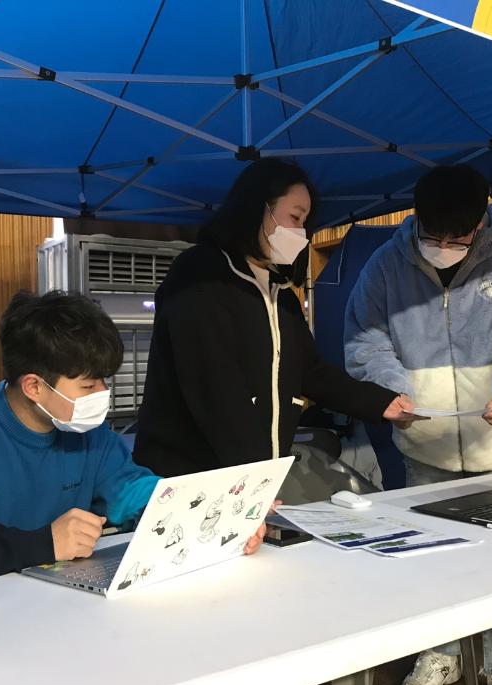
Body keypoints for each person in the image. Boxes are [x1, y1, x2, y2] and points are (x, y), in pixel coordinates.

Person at [0, 291, 268, 584]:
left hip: (59, 616)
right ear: (34, 386)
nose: (103, 394)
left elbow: (132, 491)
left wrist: (218, 518)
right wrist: (39, 543)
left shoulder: (89, 435)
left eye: (104, 381)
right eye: (88, 386)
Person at [344, 165, 492, 685]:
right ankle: (441, 653)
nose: (443, 247)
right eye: (433, 236)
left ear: (481, 222)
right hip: (426, 450)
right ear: (415, 218)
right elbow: (365, 339)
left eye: (457, 238)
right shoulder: (385, 266)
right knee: (432, 561)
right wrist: (390, 390)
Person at [134, 158, 418, 477]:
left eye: (305, 223)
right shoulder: (201, 275)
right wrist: (255, 477)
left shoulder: (279, 294)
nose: (300, 233)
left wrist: (379, 402)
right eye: (295, 217)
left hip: (250, 474)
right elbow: (216, 389)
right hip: (190, 476)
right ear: (258, 207)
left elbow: (310, 372)